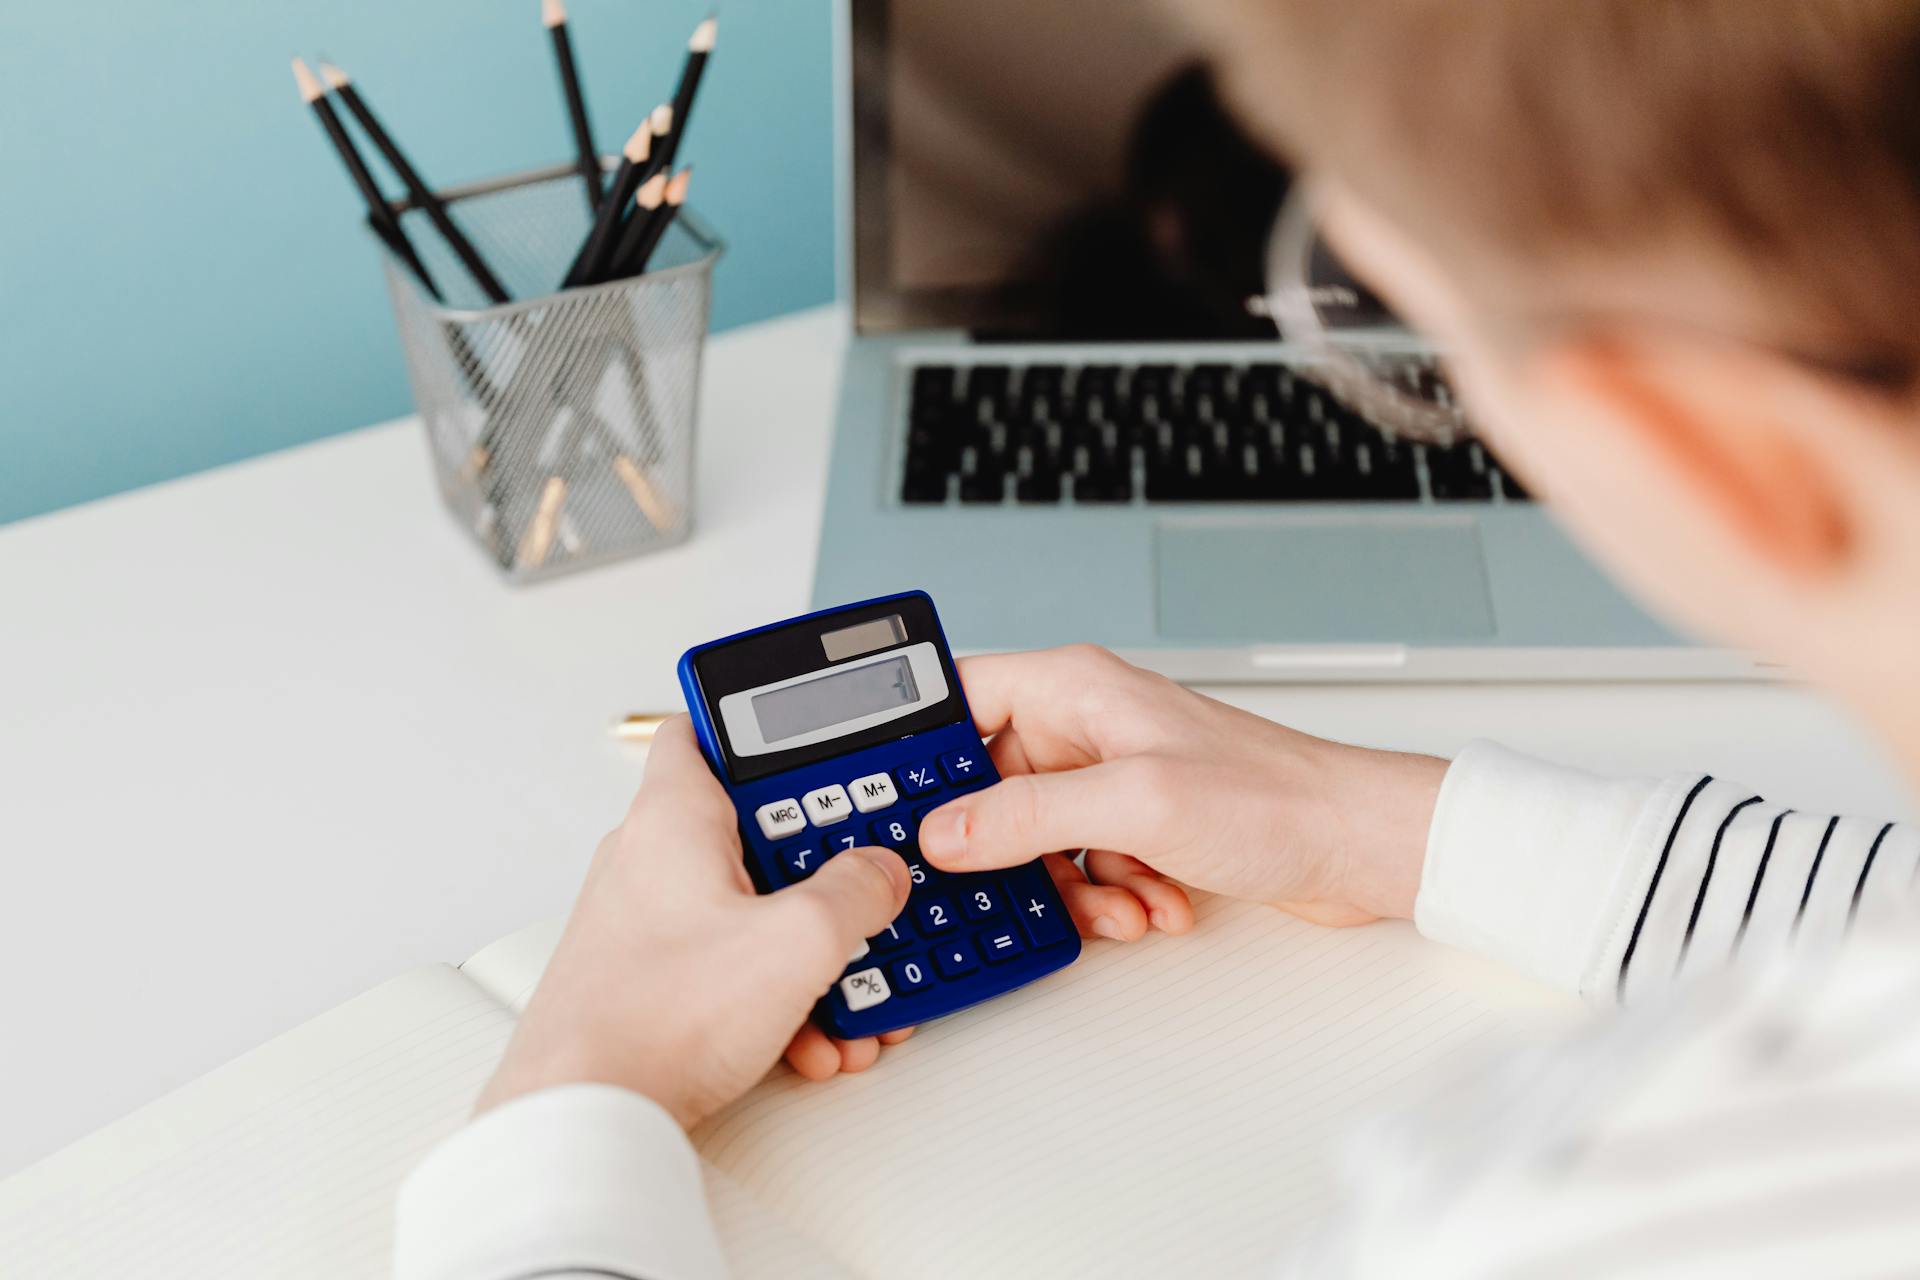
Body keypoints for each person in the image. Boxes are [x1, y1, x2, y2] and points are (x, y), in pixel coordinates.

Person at [396, 3, 1920, 1275]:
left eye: (1419, 338)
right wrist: (1372, 823)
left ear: (1697, 451)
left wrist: (566, 1097)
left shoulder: (1584, 1214)